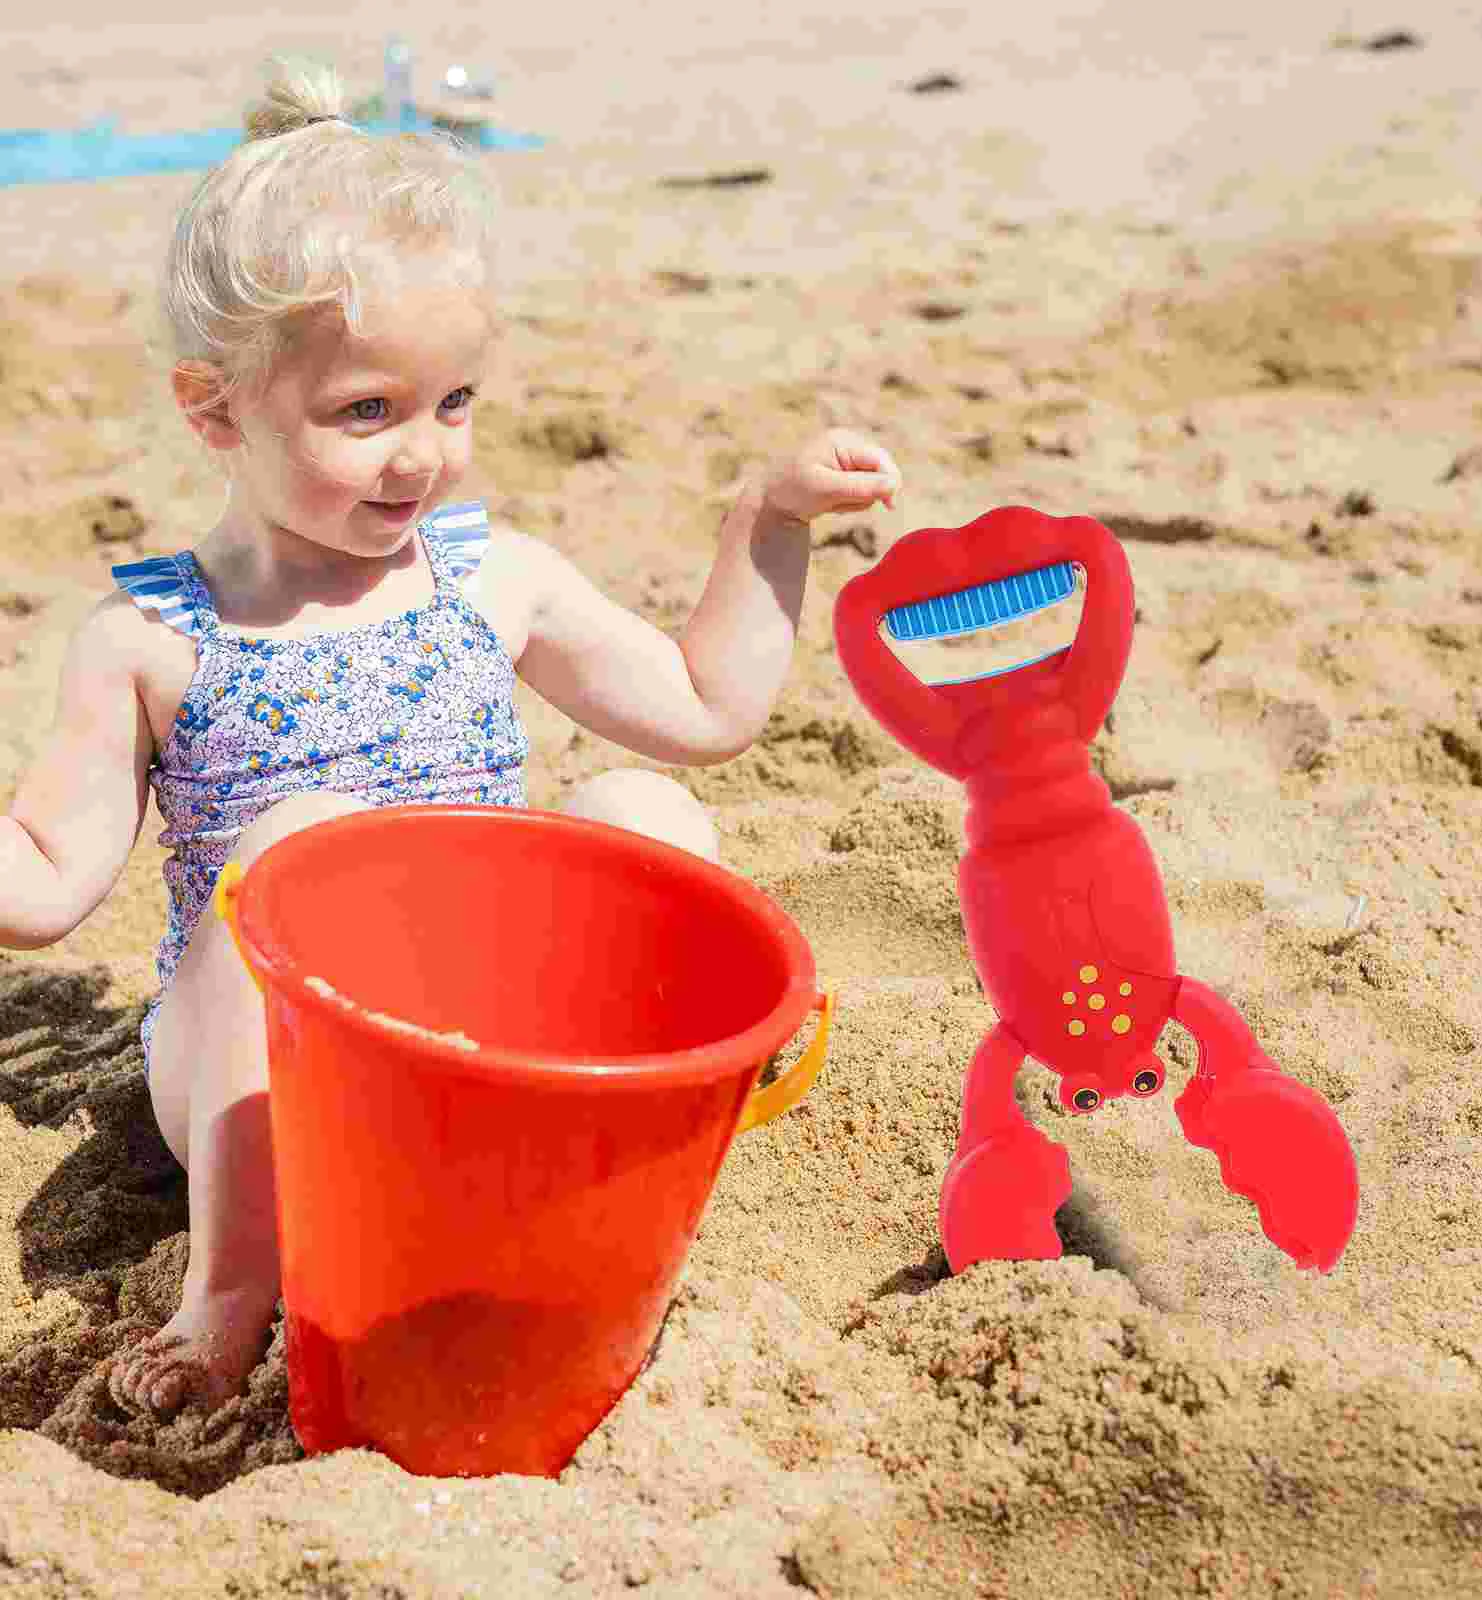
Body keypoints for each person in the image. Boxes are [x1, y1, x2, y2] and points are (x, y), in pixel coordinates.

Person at [0, 57, 901, 1419]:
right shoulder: (154, 640)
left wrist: (766, 522)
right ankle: (232, 1292)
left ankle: (605, 1188)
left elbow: (709, 710)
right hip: (269, 1082)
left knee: (645, 819)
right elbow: (46, 883)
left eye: (454, 404)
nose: (423, 455)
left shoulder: (496, 577)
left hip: (485, 1046)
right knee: (297, 848)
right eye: (367, 412)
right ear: (213, 410)